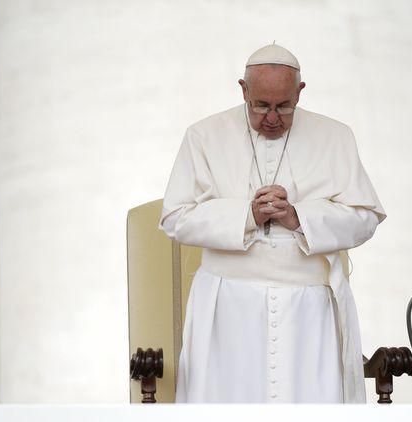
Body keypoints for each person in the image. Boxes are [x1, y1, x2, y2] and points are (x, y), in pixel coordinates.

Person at [159, 43, 386, 403]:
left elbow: (366, 217)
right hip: (227, 308)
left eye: (284, 107)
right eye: (261, 105)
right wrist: (248, 216)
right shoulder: (203, 136)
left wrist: (299, 217)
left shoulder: (336, 136)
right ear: (243, 90)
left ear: (300, 93)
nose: (272, 118)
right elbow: (174, 219)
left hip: (310, 310)